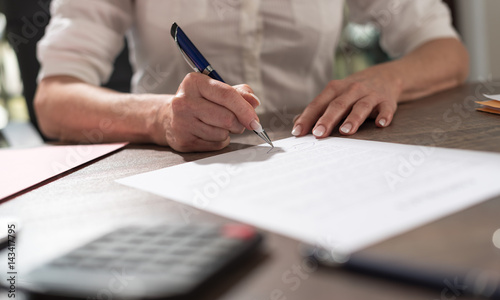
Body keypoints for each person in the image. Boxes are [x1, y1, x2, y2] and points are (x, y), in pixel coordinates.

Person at [34, 0, 469, 152]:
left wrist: (387, 78)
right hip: (172, 169)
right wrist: (160, 116)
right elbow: (54, 98)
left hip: (313, 159)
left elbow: (444, 49)